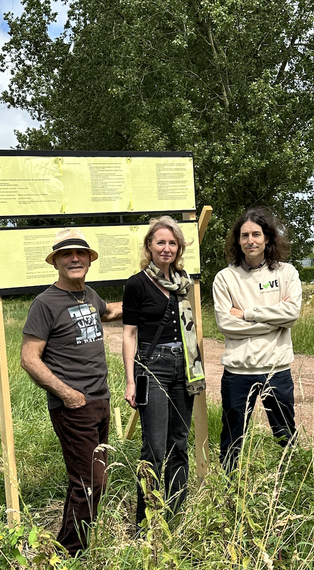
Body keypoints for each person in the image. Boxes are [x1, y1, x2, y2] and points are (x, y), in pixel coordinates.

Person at [21, 228, 122, 555]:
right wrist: (67, 394)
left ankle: (66, 544)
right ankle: (71, 555)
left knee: (86, 481)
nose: (74, 258)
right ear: (56, 262)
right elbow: (29, 358)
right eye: (67, 254)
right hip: (73, 407)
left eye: (80, 253)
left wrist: (150, 294)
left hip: (100, 401)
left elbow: (110, 312)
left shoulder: (90, 296)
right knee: (92, 483)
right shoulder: (45, 304)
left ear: (89, 260)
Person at [123, 216, 205, 530]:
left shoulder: (184, 283)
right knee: (154, 448)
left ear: (179, 248)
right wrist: (131, 380)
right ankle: (145, 524)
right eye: (161, 242)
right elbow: (129, 334)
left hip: (184, 366)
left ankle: (173, 517)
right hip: (152, 366)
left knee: (179, 444)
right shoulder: (137, 283)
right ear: (149, 246)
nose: (166, 248)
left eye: (172, 243)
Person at [212, 207, 302, 473]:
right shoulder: (225, 278)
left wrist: (248, 314)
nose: (250, 240)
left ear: (267, 238)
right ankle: (228, 489)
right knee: (232, 437)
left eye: (256, 234)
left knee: (285, 434)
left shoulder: (286, 273)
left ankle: (289, 484)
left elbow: (292, 313)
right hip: (238, 372)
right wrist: (274, 324)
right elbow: (226, 325)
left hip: (277, 369)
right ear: (237, 241)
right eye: (244, 235)